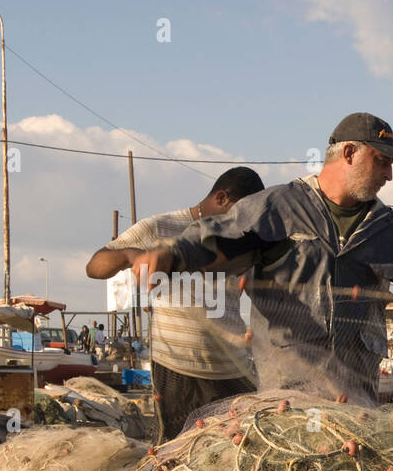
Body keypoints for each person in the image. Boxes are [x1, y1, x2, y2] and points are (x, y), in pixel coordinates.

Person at [129, 113, 393, 406]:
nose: (389, 175)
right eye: (381, 161)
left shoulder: (384, 228)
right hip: (284, 398)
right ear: (348, 153)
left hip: (355, 400)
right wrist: (170, 254)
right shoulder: (279, 206)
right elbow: (218, 237)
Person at [87, 167, 266, 438]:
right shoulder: (159, 228)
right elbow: (94, 267)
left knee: (236, 453)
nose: (242, 221)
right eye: (239, 212)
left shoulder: (240, 238)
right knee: (177, 453)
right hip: (177, 370)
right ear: (221, 198)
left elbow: (257, 290)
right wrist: (128, 254)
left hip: (232, 369)